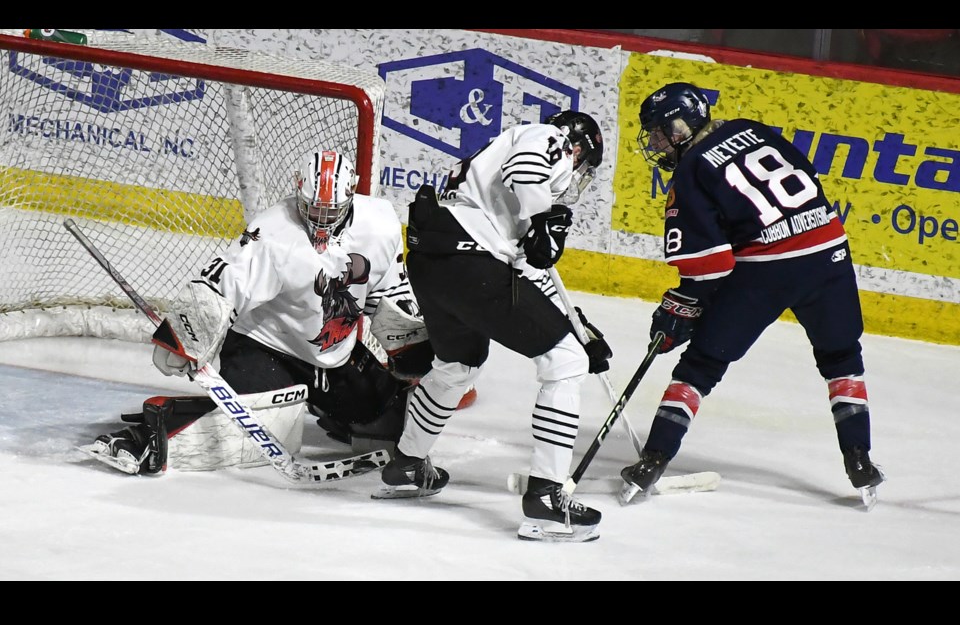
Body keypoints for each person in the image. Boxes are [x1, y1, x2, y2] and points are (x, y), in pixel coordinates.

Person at [87, 149, 473, 475]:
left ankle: (338, 411)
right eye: (312, 209)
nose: (320, 220)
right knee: (252, 430)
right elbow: (224, 281)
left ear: (353, 196)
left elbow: (387, 287)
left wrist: (410, 350)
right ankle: (148, 436)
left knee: (392, 425)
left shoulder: (381, 222)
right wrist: (184, 338)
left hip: (333, 355)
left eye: (331, 211)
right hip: (266, 347)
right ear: (297, 192)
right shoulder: (272, 233)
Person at [619, 82, 885, 508]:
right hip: (828, 249)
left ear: (682, 127)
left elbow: (708, 266)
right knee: (841, 356)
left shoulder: (689, 173)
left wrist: (683, 307)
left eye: (658, 133)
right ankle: (860, 460)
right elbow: (808, 181)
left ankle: (652, 460)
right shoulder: (751, 128)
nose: (655, 143)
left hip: (768, 269)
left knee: (701, 366)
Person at [371, 110, 612, 543]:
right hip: (471, 264)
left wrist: (580, 328)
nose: (576, 174)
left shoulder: (491, 190)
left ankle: (407, 464)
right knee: (565, 362)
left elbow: (529, 275)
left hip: (436, 264)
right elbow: (530, 166)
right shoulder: (543, 137)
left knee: (458, 364)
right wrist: (542, 218)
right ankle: (546, 499)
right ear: (576, 148)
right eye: (582, 163)